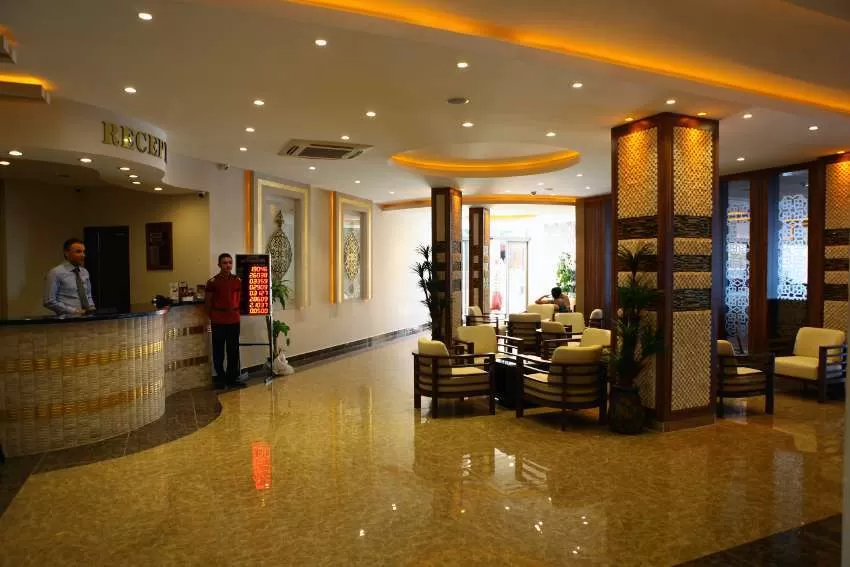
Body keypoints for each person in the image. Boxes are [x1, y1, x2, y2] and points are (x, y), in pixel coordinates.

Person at [205, 253, 246, 389]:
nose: (228, 265)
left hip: (234, 321)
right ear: (219, 265)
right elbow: (208, 304)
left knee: (233, 351)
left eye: (230, 262)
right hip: (218, 322)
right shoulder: (212, 282)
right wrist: (214, 317)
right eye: (224, 263)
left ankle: (232, 379)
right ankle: (221, 379)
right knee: (218, 351)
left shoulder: (237, 281)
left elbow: (241, 299)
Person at [43, 237, 96, 315]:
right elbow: (49, 301)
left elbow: (88, 295)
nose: (83, 255)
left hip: (87, 318)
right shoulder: (55, 273)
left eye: (83, 252)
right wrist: (74, 311)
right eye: (78, 252)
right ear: (66, 254)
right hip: (67, 319)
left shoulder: (84, 272)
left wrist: (91, 307)